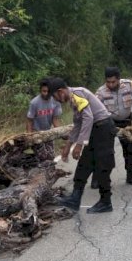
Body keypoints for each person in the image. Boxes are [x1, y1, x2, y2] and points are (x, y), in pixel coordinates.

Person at [46, 77, 116, 214]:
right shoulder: (73, 100)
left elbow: (88, 118)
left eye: (56, 97)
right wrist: (67, 147)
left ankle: (106, 202)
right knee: (84, 165)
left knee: (102, 166)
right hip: (95, 130)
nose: (58, 101)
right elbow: (78, 124)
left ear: (60, 91)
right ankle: (75, 199)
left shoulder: (77, 94)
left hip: (103, 129)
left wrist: (79, 145)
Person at [94, 67, 132, 186]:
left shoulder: (129, 85)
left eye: (113, 82)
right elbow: (95, 108)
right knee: (105, 151)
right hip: (109, 123)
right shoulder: (101, 91)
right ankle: (98, 177)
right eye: (108, 82)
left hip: (127, 121)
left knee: (129, 149)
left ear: (119, 79)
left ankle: (130, 176)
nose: (110, 84)